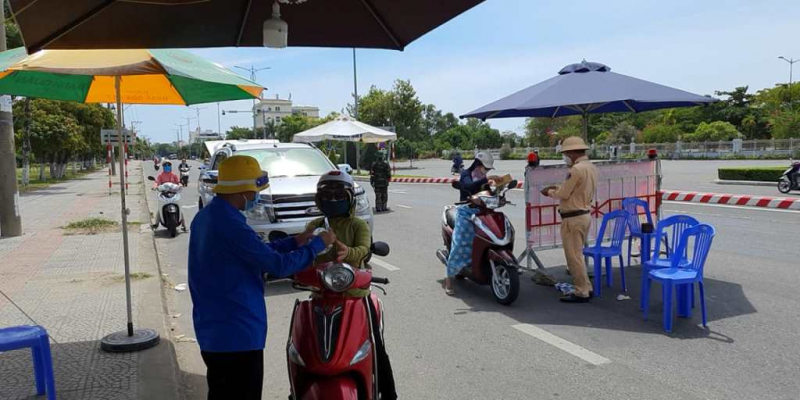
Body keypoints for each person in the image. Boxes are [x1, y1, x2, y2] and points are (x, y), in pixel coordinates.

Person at [188, 155, 336, 400]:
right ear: (242, 190)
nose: (256, 196)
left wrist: (295, 241)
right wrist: (316, 245)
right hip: (236, 333)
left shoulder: (209, 217)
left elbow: (255, 252)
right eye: (255, 190)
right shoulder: (231, 225)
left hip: (213, 328)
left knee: (221, 391)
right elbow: (277, 265)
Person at [306, 171, 398, 399]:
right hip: (319, 296)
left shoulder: (358, 225)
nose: (333, 199)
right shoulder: (314, 225)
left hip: (355, 297)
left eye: (339, 194)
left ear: (350, 198)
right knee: (303, 347)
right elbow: (303, 253)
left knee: (377, 347)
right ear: (319, 199)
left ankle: (389, 394)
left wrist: (348, 253)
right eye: (327, 195)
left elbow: (364, 249)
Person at [540, 137, 598, 303]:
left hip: (573, 217)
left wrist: (550, 191)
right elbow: (573, 190)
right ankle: (586, 287)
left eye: (566, 153)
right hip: (583, 214)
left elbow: (564, 194)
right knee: (577, 255)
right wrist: (557, 188)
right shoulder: (591, 167)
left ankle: (581, 292)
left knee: (573, 257)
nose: (565, 156)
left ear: (573, 153)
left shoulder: (576, 170)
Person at [444, 151, 500, 295]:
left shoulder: (483, 177)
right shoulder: (466, 174)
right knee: (460, 243)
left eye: (488, 169)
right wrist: (486, 181)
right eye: (485, 168)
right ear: (478, 164)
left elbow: (487, 193)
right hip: (466, 211)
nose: (486, 171)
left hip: (482, 211)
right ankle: (449, 279)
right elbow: (468, 186)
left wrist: (496, 189)